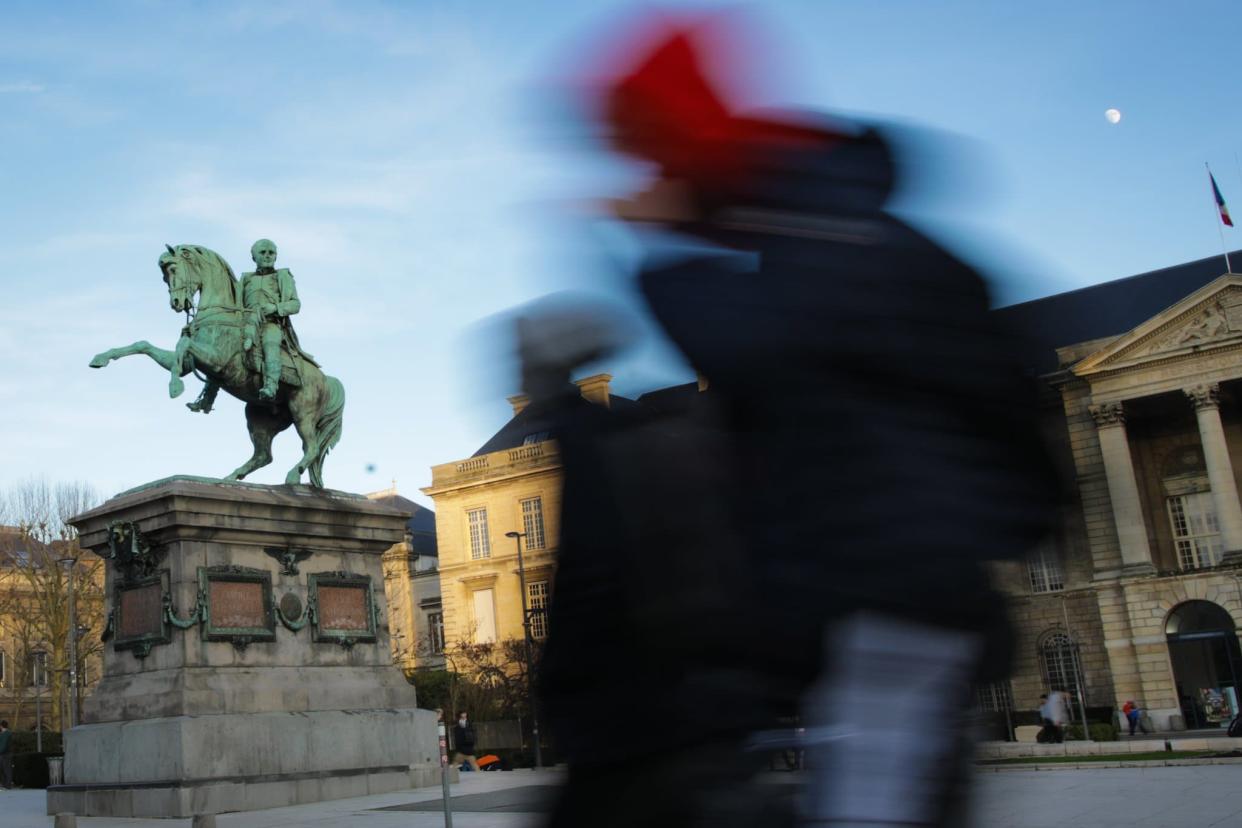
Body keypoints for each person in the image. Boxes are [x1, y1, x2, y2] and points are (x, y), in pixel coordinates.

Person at [239, 238, 314, 401]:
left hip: (270, 323)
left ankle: (271, 386)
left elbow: (295, 304)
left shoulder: (282, 276)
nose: (267, 256)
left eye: (271, 253)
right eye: (263, 252)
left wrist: (275, 308)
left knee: (270, 345)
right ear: (254, 257)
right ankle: (208, 396)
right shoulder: (245, 279)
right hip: (246, 323)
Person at [0, 720, 13, 789]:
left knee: (6, 769)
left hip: (5, 754)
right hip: (3, 754)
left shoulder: (7, 733)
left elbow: (4, 745)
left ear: (1, 726)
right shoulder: (2, 733)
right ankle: (4, 784)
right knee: (2, 769)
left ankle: (7, 785)